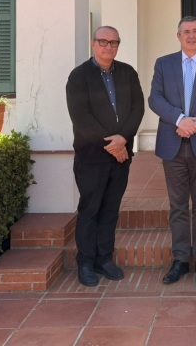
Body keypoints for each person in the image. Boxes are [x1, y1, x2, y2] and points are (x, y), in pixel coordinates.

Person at [148, 16, 196, 285]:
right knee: (178, 205)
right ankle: (181, 259)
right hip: (172, 143)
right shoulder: (164, 63)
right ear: (178, 35)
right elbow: (155, 98)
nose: (191, 35)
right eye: (186, 32)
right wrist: (179, 119)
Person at [66, 25, 145, 287]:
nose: (108, 46)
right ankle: (85, 262)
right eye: (103, 41)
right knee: (90, 210)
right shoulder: (79, 77)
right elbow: (81, 118)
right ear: (93, 44)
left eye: (114, 42)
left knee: (110, 210)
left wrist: (124, 138)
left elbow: (137, 108)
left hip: (120, 158)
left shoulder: (128, 73)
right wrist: (113, 144)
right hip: (91, 157)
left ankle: (104, 259)